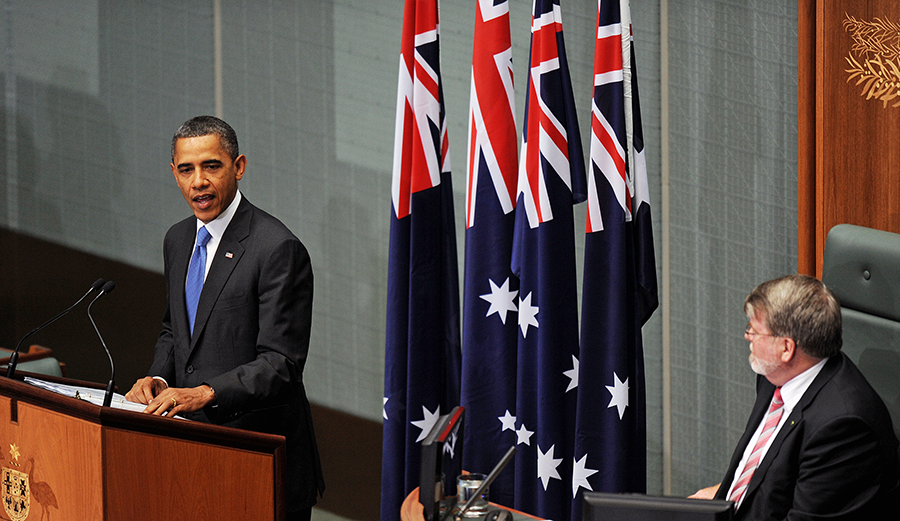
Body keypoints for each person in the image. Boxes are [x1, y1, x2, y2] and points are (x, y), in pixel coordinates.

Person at [126, 115, 324, 520]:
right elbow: (175, 329)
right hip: (190, 453)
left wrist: (203, 393)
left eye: (211, 166)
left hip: (258, 457)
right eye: (187, 169)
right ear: (174, 174)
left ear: (239, 166)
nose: (198, 181)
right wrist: (159, 378)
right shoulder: (178, 239)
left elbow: (280, 365)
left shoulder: (277, 249)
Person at [690, 274, 899, 519]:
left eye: (754, 331)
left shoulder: (843, 428)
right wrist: (723, 496)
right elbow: (771, 468)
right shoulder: (775, 375)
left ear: (786, 348)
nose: (747, 337)